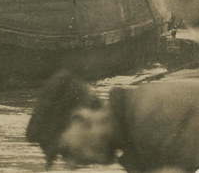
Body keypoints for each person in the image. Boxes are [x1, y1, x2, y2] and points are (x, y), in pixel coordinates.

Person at [26, 70, 199, 172]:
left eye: (66, 152)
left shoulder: (150, 119)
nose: (72, 166)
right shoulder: (137, 121)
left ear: (80, 119)